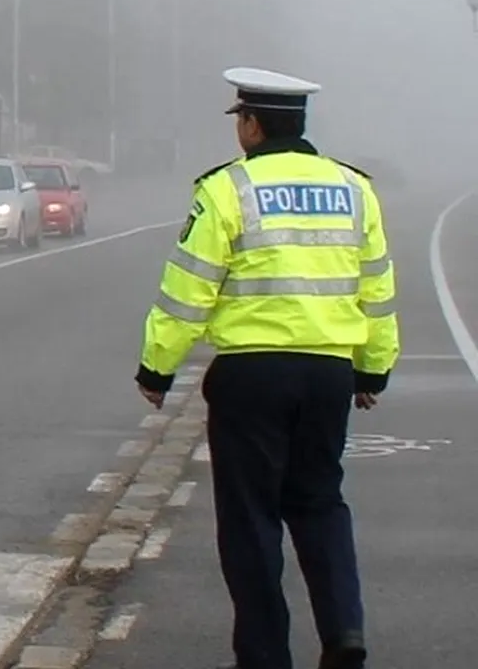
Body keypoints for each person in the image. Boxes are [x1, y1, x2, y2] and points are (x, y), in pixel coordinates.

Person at [133, 67, 399, 669]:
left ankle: (263, 654)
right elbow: (376, 287)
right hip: (328, 372)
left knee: (252, 519)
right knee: (321, 503)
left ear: (251, 125)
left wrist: (157, 367)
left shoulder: (228, 190)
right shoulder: (355, 190)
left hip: (252, 376)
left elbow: (188, 290)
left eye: (240, 122)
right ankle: (344, 632)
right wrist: (371, 370)